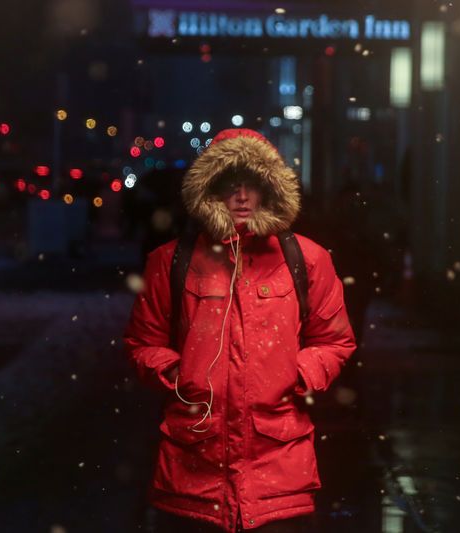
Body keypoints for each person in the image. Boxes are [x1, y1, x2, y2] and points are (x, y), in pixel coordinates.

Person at [123, 128, 356, 532]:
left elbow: (335, 339)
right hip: (194, 468)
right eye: (231, 184)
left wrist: (298, 375)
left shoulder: (307, 260)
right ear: (211, 190)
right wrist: (182, 377)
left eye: (253, 184)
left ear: (270, 189)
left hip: (278, 468)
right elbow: (142, 343)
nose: (242, 196)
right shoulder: (171, 262)